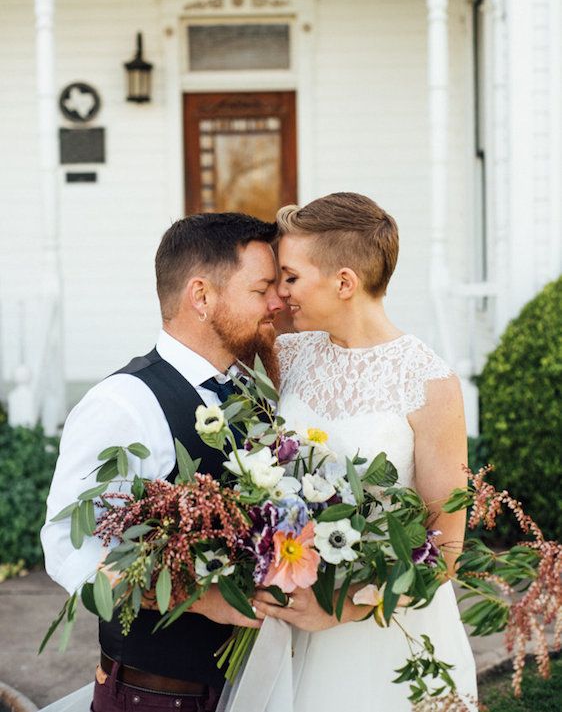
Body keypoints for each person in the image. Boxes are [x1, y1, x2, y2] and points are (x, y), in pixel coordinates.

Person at [41, 212, 284, 712]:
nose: (277, 303)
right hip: (156, 694)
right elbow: (72, 549)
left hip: (245, 686)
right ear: (202, 296)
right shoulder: (123, 404)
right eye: (262, 289)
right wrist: (200, 597)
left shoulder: (250, 391)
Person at [253, 192, 478, 711]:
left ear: (345, 282)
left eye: (290, 277)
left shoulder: (430, 382)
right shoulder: (289, 353)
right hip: (293, 603)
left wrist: (341, 610)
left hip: (383, 623)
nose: (281, 293)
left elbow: (444, 546)